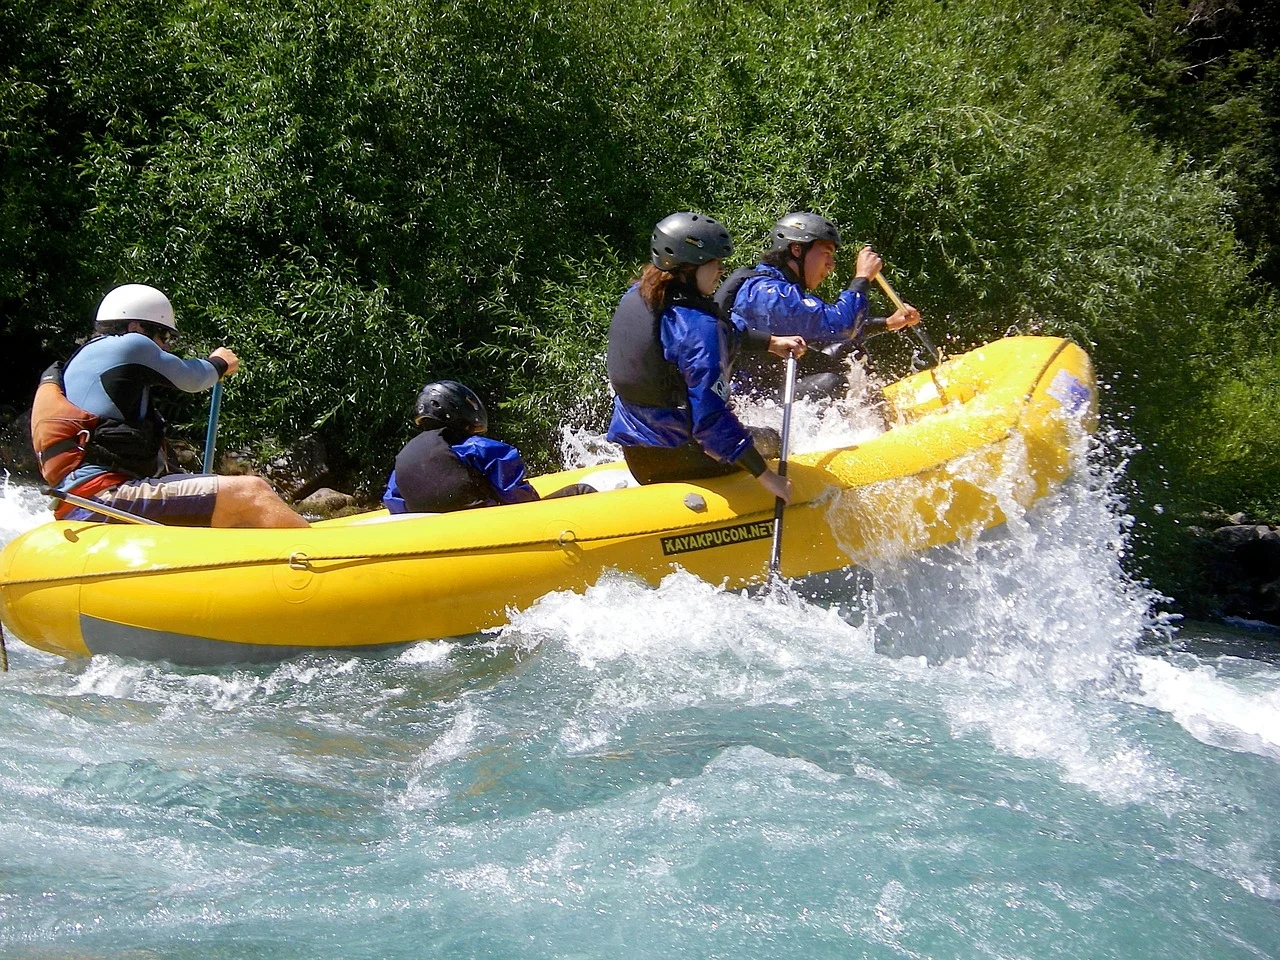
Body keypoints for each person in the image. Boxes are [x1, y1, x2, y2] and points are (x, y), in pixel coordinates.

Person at [31, 283, 308, 528]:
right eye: (164, 336)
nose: (165, 346)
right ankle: (318, 560)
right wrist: (220, 362)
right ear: (136, 327)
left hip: (83, 495)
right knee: (253, 491)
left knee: (224, 497)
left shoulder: (86, 358)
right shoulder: (131, 345)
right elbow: (192, 378)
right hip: (103, 494)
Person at [605, 211, 805, 502]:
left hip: (638, 458)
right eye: (716, 263)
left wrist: (770, 342)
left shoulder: (642, 295)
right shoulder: (700, 328)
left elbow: (700, 337)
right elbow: (710, 421)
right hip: (684, 459)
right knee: (771, 438)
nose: (721, 270)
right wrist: (769, 478)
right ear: (689, 267)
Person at [715, 211, 922, 399]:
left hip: (771, 384)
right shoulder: (771, 293)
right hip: (753, 402)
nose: (831, 264)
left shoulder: (776, 287)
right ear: (797, 250)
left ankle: (874, 410)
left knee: (849, 351)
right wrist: (862, 279)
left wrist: (888, 322)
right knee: (830, 383)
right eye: (826, 254)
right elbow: (841, 325)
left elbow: (826, 330)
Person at [382, 380, 595, 514]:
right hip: (494, 526)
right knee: (581, 490)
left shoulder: (403, 462)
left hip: (439, 537)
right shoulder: (479, 448)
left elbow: (394, 503)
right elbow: (516, 497)